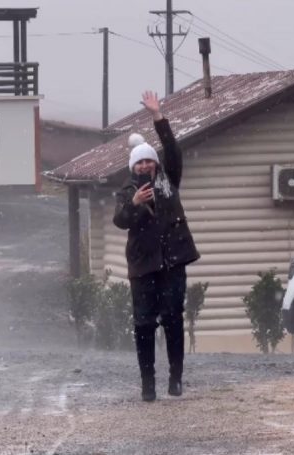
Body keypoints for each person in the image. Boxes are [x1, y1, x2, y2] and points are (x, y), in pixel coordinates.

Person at [113, 90, 200, 402]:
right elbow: (120, 220)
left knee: (174, 319)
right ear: (133, 167)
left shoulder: (169, 180)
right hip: (143, 267)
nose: (145, 166)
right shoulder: (126, 191)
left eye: (149, 161)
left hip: (173, 261)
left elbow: (173, 151)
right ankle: (147, 384)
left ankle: (175, 378)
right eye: (140, 163)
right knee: (143, 324)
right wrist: (135, 203)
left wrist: (157, 116)